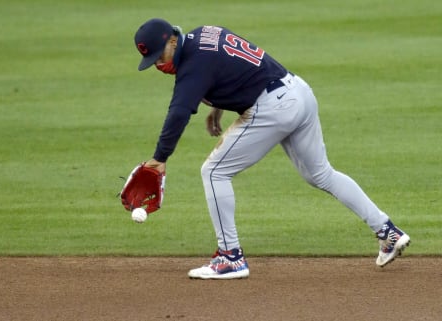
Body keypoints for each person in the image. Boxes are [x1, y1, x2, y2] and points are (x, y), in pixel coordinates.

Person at [132, 18, 411, 279]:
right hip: (298, 92)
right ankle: (388, 231)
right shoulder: (205, 33)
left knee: (214, 171)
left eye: (159, 56)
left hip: (273, 108)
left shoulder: (193, 64)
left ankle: (230, 257)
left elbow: (179, 112)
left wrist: (159, 159)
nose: (157, 63)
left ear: (172, 41)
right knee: (322, 174)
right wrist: (218, 109)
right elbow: (230, 65)